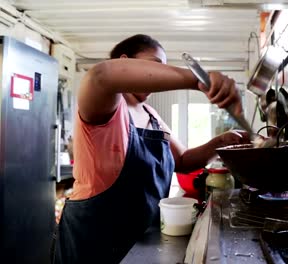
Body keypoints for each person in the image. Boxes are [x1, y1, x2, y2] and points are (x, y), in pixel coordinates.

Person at [52, 34, 250, 263]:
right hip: (92, 239)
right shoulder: (105, 103)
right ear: (124, 61)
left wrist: (223, 142)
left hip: (140, 237)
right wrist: (199, 80)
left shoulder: (151, 115)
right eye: (155, 67)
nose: (160, 78)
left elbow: (184, 160)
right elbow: (101, 76)